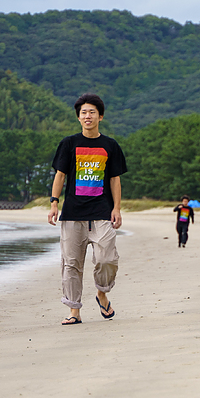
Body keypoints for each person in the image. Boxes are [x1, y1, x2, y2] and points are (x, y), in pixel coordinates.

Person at [48, 93, 127, 325]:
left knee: (107, 257)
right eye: (83, 113)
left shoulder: (110, 145)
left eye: (92, 112)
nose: (88, 116)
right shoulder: (69, 144)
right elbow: (60, 175)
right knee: (71, 263)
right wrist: (54, 203)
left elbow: (115, 179)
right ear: (79, 117)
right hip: (72, 213)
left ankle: (102, 292)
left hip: (102, 211)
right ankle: (74, 311)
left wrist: (117, 208)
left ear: (100, 116)